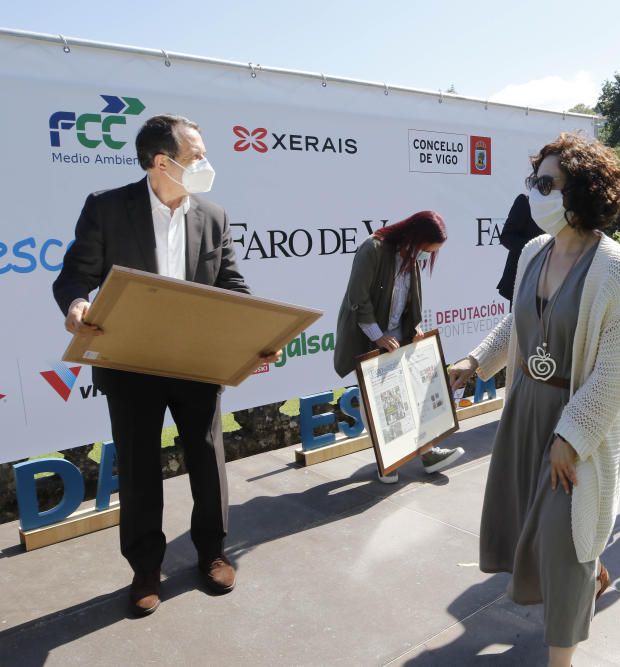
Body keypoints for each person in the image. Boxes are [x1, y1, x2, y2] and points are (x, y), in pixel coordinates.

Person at [52, 114, 281, 616]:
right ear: (162, 163)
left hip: (197, 361)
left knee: (206, 457)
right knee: (137, 466)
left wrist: (260, 332)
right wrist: (75, 305)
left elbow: (231, 283)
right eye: (197, 156)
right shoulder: (108, 209)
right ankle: (145, 569)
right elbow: (74, 276)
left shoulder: (213, 215)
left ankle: (211, 552)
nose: (206, 164)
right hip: (130, 362)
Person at [448, 132, 620, 667]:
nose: (536, 192)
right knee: (544, 531)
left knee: (564, 538)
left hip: (576, 426)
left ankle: (562, 660)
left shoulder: (615, 268)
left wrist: (571, 437)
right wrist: (476, 363)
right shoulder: (535, 250)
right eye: (534, 181)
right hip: (525, 413)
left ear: (581, 189)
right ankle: (595, 573)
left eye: (547, 183)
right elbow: (518, 323)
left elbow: (614, 371)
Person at [334, 211, 464, 483]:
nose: (427, 256)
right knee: (374, 400)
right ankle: (387, 460)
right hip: (368, 335)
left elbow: (409, 299)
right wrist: (378, 336)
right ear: (414, 237)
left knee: (413, 394)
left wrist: (414, 329)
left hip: (397, 336)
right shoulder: (373, 249)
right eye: (427, 249)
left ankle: (428, 453)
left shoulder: (412, 256)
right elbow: (358, 298)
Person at [496, 193, 542, 302]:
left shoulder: (568, 203)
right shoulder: (525, 201)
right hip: (523, 284)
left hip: (553, 283)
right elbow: (506, 237)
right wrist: (538, 247)